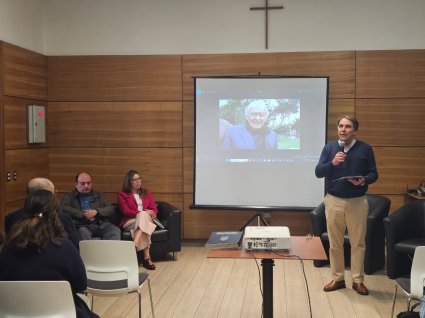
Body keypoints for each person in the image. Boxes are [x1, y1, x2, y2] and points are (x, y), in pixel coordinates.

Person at [0, 189, 99, 318]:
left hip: (14, 313)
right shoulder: (65, 247)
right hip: (60, 313)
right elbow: (81, 284)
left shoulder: (8, 249)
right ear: (55, 215)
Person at [315, 115, 378, 296]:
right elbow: (318, 172)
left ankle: (358, 280)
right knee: (335, 244)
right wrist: (332, 163)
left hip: (357, 202)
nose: (343, 129)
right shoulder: (330, 148)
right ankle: (338, 278)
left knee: (358, 243)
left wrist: (364, 180)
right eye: (341, 126)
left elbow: (374, 173)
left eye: (348, 127)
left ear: (354, 131)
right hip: (333, 200)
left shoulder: (365, 149)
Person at [4, 177, 79, 249]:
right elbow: (75, 247)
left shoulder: (10, 218)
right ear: (48, 196)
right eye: (54, 192)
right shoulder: (63, 218)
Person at [61, 172, 121, 241]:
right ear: (76, 184)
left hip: (101, 225)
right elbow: (64, 208)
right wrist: (83, 214)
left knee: (115, 230)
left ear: (91, 184)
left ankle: (109, 252)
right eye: (83, 183)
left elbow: (111, 209)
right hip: (82, 225)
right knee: (82, 232)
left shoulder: (99, 195)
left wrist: (96, 212)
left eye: (88, 183)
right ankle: (88, 252)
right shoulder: (70, 196)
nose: (86, 186)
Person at [117, 169, 157, 270]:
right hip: (130, 221)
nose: (138, 181)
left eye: (139, 178)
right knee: (143, 219)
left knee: (143, 218)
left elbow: (154, 209)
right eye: (135, 179)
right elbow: (126, 211)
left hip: (147, 219)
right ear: (129, 182)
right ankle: (147, 258)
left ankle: (135, 244)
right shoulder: (122, 195)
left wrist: (152, 213)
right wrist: (141, 214)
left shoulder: (147, 193)